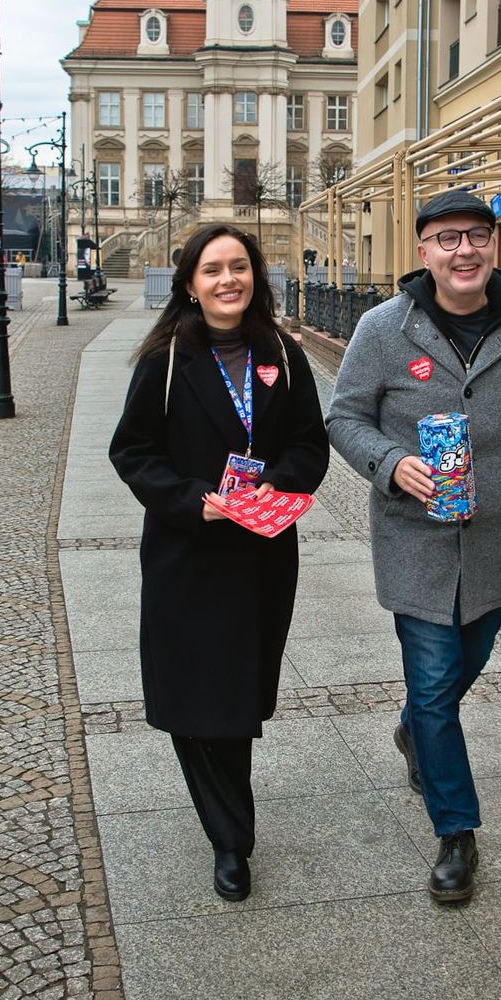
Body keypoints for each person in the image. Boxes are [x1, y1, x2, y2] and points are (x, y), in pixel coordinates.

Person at [325, 189, 501, 904]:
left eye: (475, 235)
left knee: (454, 674)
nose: (463, 250)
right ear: (423, 253)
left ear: (494, 245)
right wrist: (389, 462)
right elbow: (344, 418)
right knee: (436, 682)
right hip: (414, 537)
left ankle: (414, 730)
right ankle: (455, 831)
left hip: (494, 538)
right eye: (446, 239)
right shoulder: (384, 328)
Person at [110, 224, 329, 901]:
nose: (227, 280)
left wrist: (280, 483)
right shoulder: (166, 358)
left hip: (261, 552)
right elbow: (132, 451)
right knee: (194, 694)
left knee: (241, 691)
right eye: (212, 270)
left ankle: (229, 823)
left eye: (239, 267)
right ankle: (230, 841)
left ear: (256, 278)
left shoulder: (282, 355)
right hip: (188, 553)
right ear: (189, 284)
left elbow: (308, 445)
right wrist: (189, 499)